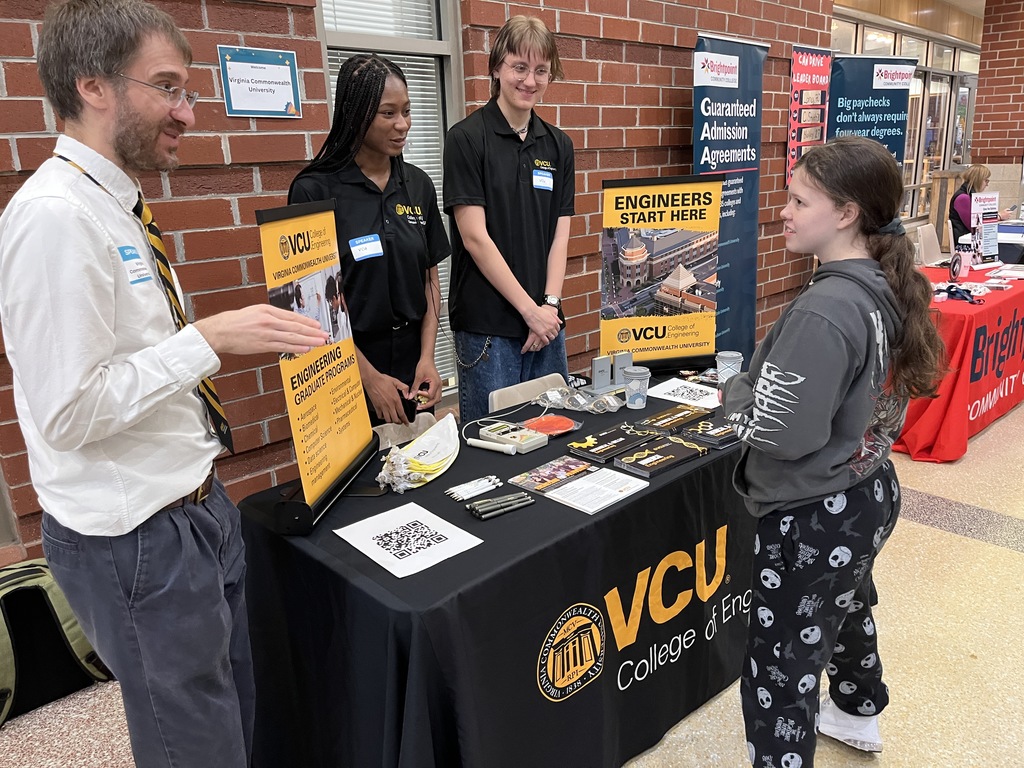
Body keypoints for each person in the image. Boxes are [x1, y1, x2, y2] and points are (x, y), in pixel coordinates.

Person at [0, 2, 329, 766]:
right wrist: (207, 342)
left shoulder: (115, 205)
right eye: (168, 87)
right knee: (195, 745)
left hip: (194, 509)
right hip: (136, 538)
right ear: (93, 85)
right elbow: (68, 412)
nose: (186, 111)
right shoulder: (55, 219)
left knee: (232, 719)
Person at [721, 136, 945, 767]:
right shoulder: (882, 284)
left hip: (813, 513)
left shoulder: (827, 308)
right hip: (866, 487)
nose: (783, 212)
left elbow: (782, 433)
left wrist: (736, 392)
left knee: (780, 669)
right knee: (847, 604)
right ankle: (856, 709)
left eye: (799, 200)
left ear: (846, 213)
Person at [289, 54, 449, 426]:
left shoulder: (419, 185)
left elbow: (430, 281)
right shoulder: (313, 191)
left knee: (420, 471)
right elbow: (311, 308)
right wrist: (368, 378)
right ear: (357, 115)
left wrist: (429, 357)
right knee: (363, 481)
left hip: (412, 362)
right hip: (344, 367)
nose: (403, 125)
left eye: (407, 111)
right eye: (388, 114)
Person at [443, 15, 575, 424]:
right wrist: (529, 311)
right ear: (497, 67)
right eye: (520, 67)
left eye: (541, 71)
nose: (529, 81)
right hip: (489, 330)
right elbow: (474, 239)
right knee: (493, 446)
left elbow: (560, 232)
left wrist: (548, 308)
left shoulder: (558, 145)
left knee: (554, 442)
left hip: (546, 326)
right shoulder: (466, 139)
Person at [949, 163, 1015, 242]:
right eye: (986, 180)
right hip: (966, 243)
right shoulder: (963, 198)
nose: (987, 184)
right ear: (978, 180)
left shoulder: (970, 195)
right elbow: (974, 225)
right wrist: (998, 216)